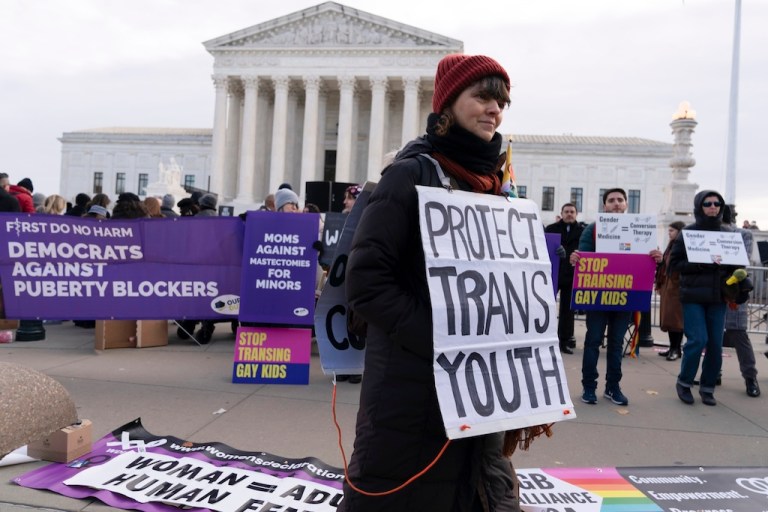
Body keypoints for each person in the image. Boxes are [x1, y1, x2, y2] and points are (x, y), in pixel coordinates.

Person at [342, 54, 550, 511]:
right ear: (448, 104)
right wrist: (443, 340)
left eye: (502, 102)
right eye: (482, 97)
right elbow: (368, 282)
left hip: (479, 386)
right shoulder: (409, 174)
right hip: (409, 388)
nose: (494, 110)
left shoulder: (497, 186)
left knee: (474, 491)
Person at [569, 188, 662, 406]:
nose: (616, 203)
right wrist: (577, 258)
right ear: (604, 206)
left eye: (620, 200)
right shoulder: (592, 229)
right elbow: (585, 258)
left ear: (626, 204)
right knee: (592, 341)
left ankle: (613, 387)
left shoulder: (641, 229)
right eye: (611, 200)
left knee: (616, 343)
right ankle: (589, 387)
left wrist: (657, 258)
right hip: (598, 296)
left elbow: (647, 262)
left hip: (625, 296)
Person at [670, 190, 741, 406]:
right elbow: (674, 265)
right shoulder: (688, 233)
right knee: (698, 340)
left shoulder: (728, 233)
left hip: (718, 297)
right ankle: (684, 382)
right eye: (708, 203)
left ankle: (708, 386)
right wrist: (700, 262)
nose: (713, 206)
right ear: (699, 206)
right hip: (693, 296)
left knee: (715, 345)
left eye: (717, 203)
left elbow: (737, 266)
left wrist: (739, 277)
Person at [722, 205, 760, 397]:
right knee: (711, 336)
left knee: (739, 334)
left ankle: (750, 377)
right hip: (711, 290)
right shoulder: (705, 232)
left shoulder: (743, 233)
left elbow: (740, 260)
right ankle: (713, 373)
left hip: (734, 290)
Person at [545, 203, 584, 354]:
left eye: (572, 212)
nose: (569, 214)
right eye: (566, 211)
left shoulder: (582, 231)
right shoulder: (551, 229)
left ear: (576, 214)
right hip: (553, 273)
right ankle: (547, 339)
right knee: (547, 307)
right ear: (561, 213)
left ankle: (564, 341)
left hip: (572, 275)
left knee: (568, 311)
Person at [655, 221, 685, 361]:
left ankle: (676, 349)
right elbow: (665, 264)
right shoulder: (671, 246)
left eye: (672, 230)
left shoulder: (682, 246)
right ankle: (673, 347)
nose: (669, 233)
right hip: (668, 285)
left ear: (679, 231)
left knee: (676, 320)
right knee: (668, 319)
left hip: (677, 286)